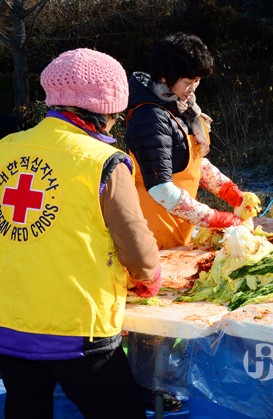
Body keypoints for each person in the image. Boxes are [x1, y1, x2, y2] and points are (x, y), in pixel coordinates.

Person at [0, 48, 161, 418]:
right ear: (106, 111)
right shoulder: (103, 161)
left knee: (25, 409)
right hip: (78, 332)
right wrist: (149, 277)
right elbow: (136, 247)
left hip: (8, 325)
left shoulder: (5, 149)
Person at [124, 32, 244, 250]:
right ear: (164, 77)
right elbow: (161, 189)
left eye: (197, 81)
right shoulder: (150, 118)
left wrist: (228, 190)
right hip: (153, 231)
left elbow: (189, 160)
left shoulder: (180, 107)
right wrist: (215, 218)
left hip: (179, 229)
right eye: (188, 82)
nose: (193, 89)